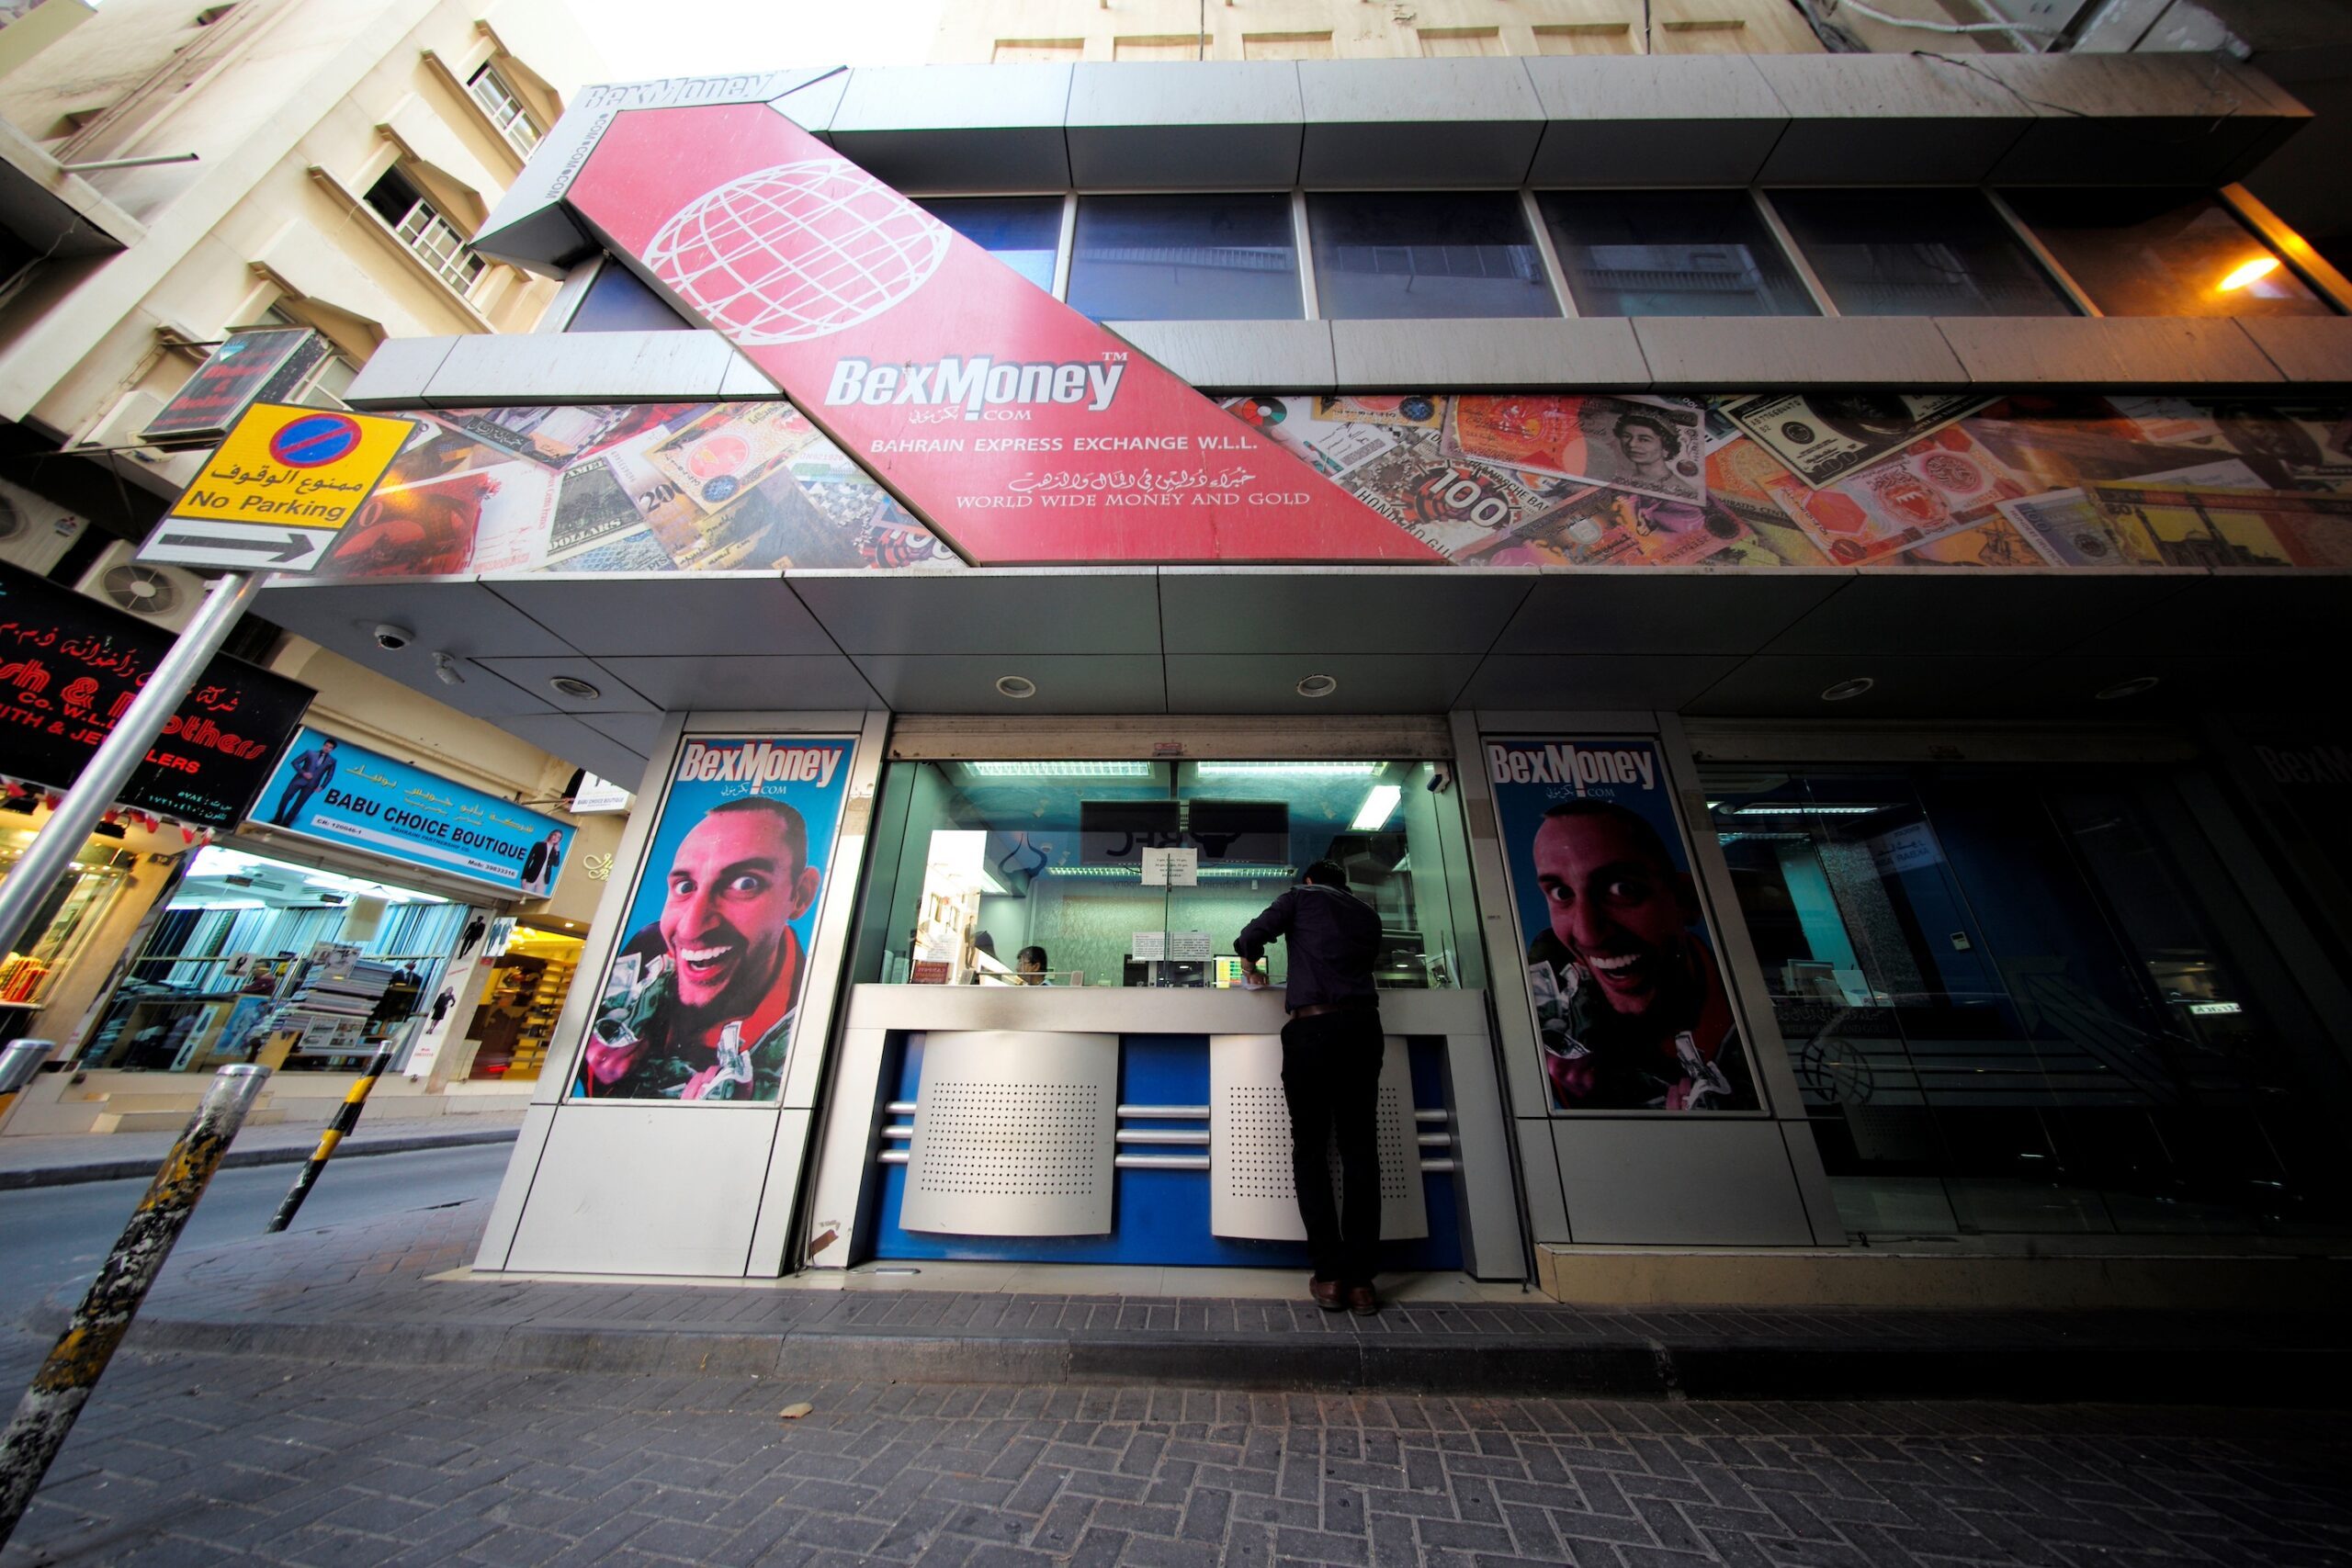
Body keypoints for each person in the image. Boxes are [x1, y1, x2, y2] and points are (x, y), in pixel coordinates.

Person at [577, 796, 822, 1101]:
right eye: (684, 886)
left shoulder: (816, 1007)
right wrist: (604, 1077)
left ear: (800, 895)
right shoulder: (647, 950)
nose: (691, 928)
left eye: (746, 884)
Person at [1526, 800, 1751, 1111]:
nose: (1588, 933)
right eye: (1562, 894)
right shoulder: (1557, 989)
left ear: (1684, 898)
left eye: (1622, 889)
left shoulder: (1745, 1026)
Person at [1235, 858, 1385, 1315]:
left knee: (1311, 1150)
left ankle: (1329, 1276)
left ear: (1309, 880)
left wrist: (1250, 964)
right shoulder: (1368, 914)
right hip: (1364, 1030)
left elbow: (1251, 934)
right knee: (1360, 1151)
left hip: (1313, 1032)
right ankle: (1361, 1283)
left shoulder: (1300, 898)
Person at [270, 737, 337, 826]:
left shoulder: (332, 761)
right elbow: (295, 762)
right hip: (299, 780)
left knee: (299, 803)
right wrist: (303, 773)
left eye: (330, 747)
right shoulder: (310, 753)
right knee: (285, 797)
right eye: (326, 745)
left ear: (332, 750)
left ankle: (287, 822)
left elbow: (329, 775)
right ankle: (277, 818)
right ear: (323, 745)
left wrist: (322, 786)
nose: (327, 748)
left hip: (312, 785)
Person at [521, 830, 563, 896]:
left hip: (544, 878)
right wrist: (524, 877)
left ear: (559, 840)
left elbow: (556, 864)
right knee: (524, 895)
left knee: (538, 898)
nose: (556, 838)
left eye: (558, 837)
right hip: (532, 875)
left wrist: (558, 852)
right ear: (551, 835)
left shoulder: (555, 851)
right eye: (555, 835)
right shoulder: (539, 845)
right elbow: (528, 861)